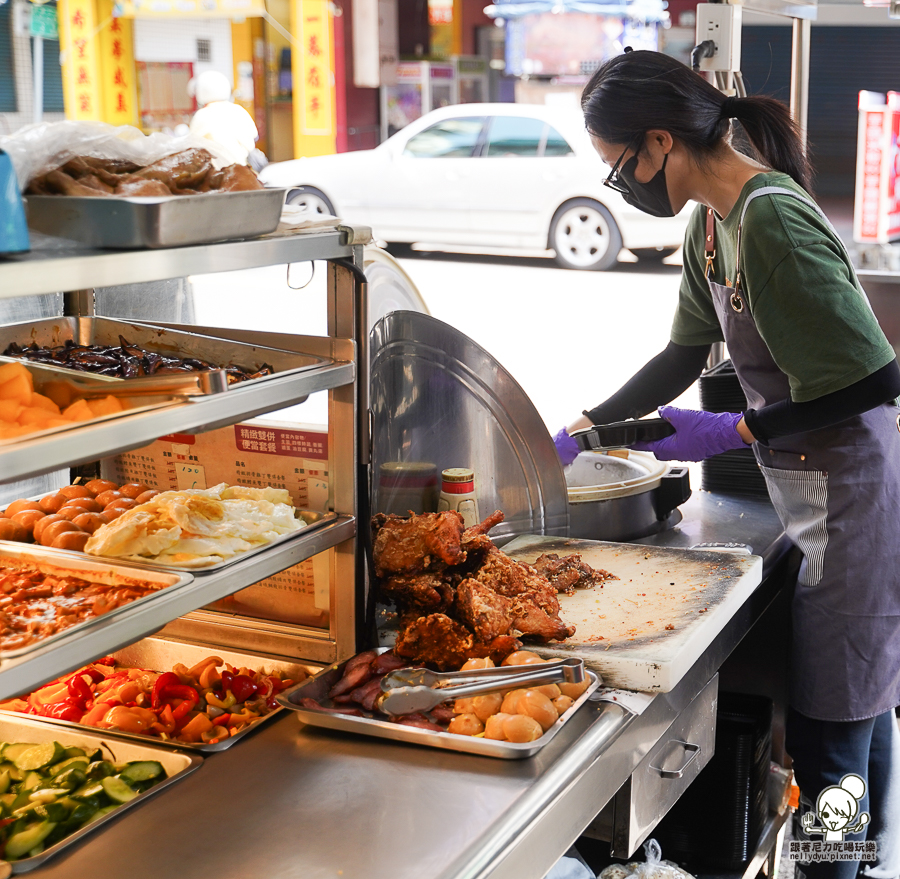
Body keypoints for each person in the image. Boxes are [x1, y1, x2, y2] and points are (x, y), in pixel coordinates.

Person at [554, 50, 900, 879]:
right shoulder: (709, 226)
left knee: (831, 742)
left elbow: (878, 376)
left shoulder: (770, 218)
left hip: (855, 494)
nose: (620, 187)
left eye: (617, 167)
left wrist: (740, 432)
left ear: (659, 142)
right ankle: (864, 859)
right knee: (857, 709)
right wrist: (581, 425)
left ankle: (838, 867)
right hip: (810, 487)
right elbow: (680, 355)